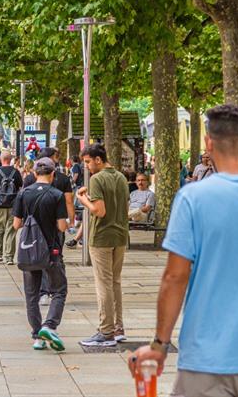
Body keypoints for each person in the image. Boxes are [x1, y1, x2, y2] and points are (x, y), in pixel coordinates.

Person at [129, 104, 238, 397]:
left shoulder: (193, 198)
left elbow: (175, 277)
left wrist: (160, 344)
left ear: (208, 143)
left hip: (207, 356)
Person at [12, 157, 68, 351]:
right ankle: (50, 325)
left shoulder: (24, 193)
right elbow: (61, 226)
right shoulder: (57, 194)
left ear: (35, 174)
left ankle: (37, 335)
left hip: (29, 249)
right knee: (59, 290)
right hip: (51, 250)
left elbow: (16, 224)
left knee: (31, 294)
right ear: (53, 174)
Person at [76, 143, 129, 347]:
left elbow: (99, 211)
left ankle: (105, 331)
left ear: (98, 159)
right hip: (120, 235)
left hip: (101, 237)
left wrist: (83, 200)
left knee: (103, 283)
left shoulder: (97, 179)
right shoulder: (121, 177)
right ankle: (118, 327)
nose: (87, 166)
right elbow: (122, 207)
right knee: (115, 282)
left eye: (88, 162)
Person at [23, 147, 75, 304]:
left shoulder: (30, 179)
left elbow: (25, 200)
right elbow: (68, 201)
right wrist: (71, 221)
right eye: (56, 157)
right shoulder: (63, 178)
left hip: (34, 226)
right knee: (55, 255)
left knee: (37, 256)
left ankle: (43, 291)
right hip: (56, 224)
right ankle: (57, 288)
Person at [0, 152, 23, 265]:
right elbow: (20, 189)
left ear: (0, 159)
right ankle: (9, 257)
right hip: (13, 205)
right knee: (11, 230)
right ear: (11, 159)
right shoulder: (16, 172)